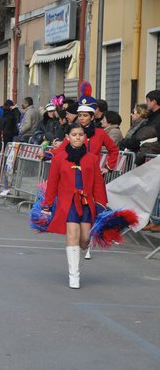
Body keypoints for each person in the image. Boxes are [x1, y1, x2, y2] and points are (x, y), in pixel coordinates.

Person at [41, 124, 108, 289]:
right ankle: (74, 275)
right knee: (72, 234)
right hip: (68, 203)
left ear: (85, 137)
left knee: (85, 239)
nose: (77, 137)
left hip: (86, 203)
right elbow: (52, 184)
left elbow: (99, 184)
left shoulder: (92, 158)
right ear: (68, 137)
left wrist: (101, 205)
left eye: (80, 134)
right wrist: (47, 205)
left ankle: (79, 255)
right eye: (74, 134)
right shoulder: (59, 158)